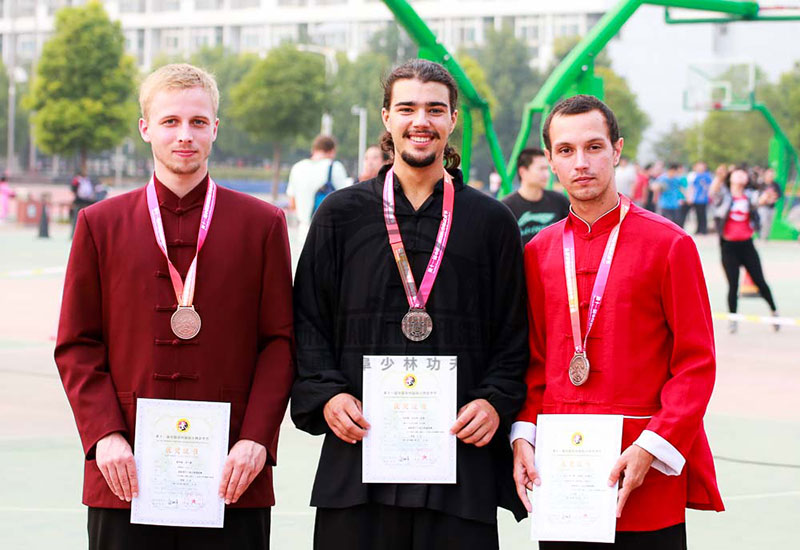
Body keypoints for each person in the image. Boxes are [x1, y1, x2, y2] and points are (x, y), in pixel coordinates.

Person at [291, 59, 528, 550]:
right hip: (358, 459)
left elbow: (514, 332)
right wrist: (329, 393)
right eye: (407, 108)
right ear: (386, 118)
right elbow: (307, 320)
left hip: (460, 462)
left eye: (435, 110)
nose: (421, 121)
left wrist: (494, 400)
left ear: (452, 121)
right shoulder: (340, 215)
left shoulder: (492, 221)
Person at [54, 63, 294, 549]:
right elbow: (77, 344)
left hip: (233, 471)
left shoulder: (263, 224)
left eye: (198, 122)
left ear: (215, 130)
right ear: (145, 128)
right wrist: (105, 436)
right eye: (170, 121)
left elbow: (280, 343)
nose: (185, 135)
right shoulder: (100, 224)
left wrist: (256, 440)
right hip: (126, 470)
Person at [512, 95, 724, 549]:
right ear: (549, 160)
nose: (581, 162)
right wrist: (522, 438)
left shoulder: (670, 245)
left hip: (644, 473)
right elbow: (532, 364)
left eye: (594, 147)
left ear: (617, 150)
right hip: (562, 477)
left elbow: (696, 364)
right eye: (566, 151)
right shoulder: (537, 253)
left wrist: (652, 446)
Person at [710, 166, 780, 333]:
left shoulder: (749, 196)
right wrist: (719, 178)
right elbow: (714, 193)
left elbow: (761, 200)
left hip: (747, 245)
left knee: (760, 282)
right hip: (728, 246)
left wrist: (767, 198)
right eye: (738, 173)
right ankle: (733, 319)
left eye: (744, 174)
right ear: (731, 177)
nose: (742, 175)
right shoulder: (725, 195)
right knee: (733, 285)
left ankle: (774, 311)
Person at [502, 147, 570, 245]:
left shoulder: (560, 201)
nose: (546, 174)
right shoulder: (507, 208)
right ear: (523, 172)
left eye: (547, 169)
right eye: (541, 169)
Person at [286, 134, 349, 238]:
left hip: (303, 230)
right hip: (328, 231)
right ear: (332, 151)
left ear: (313, 149)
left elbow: (292, 203)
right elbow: (345, 201)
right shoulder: (335, 167)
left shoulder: (297, 168)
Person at [686, 161, 712, 235]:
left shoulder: (707, 176)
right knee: (697, 215)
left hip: (704, 199)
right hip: (696, 198)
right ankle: (698, 229)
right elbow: (691, 187)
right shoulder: (695, 176)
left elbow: (710, 187)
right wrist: (690, 197)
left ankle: (703, 229)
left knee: (703, 214)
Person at [757, 167, 783, 241]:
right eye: (769, 175)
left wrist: (773, 198)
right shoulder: (761, 184)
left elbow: (779, 195)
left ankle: (766, 238)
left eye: (772, 175)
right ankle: (761, 236)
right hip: (763, 207)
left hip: (771, 207)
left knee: (769, 223)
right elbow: (758, 196)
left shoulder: (776, 185)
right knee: (763, 221)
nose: (770, 177)